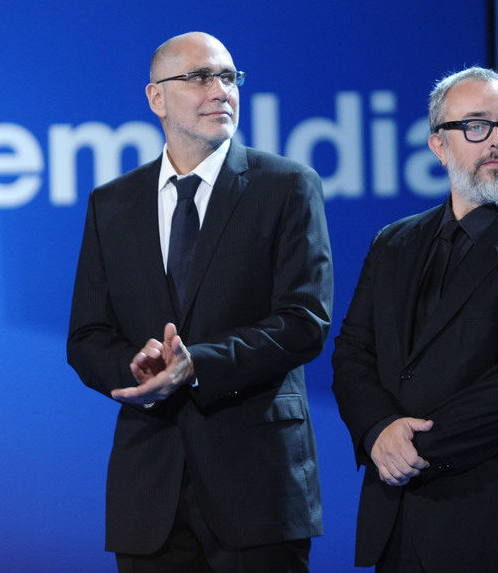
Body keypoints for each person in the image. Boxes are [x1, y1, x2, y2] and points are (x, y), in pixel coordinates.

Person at [67, 31, 333, 573]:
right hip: (150, 491)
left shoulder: (286, 186)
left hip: (257, 487)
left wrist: (196, 366)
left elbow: (304, 320)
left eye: (229, 77)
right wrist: (133, 366)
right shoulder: (112, 204)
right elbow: (87, 335)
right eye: (199, 77)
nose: (220, 91)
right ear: (155, 98)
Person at [331, 66, 498, 572]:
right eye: (476, 126)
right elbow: (353, 353)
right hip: (404, 524)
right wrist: (375, 430)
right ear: (439, 146)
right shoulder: (394, 243)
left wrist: (406, 449)